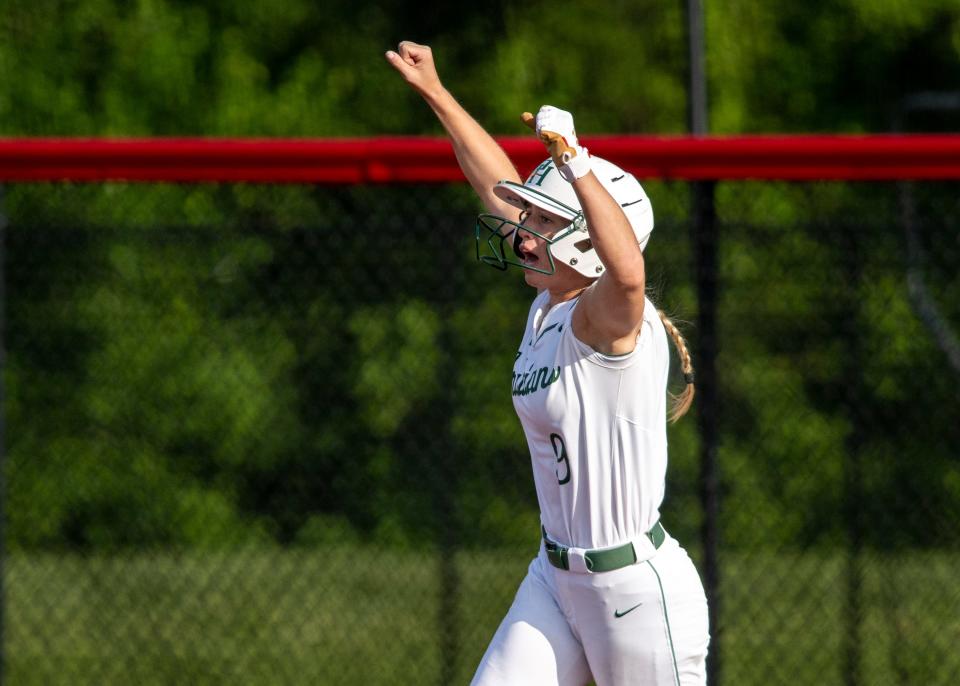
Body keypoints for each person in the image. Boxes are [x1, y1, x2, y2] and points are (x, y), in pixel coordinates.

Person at [386, 41, 710, 686]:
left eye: (545, 222)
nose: (525, 233)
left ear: (587, 241)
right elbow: (496, 188)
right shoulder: (551, 301)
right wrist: (437, 93)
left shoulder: (613, 320)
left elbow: (628, 272)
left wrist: (575, 163)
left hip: (635, 594)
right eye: (531, 217)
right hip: (555, 581)